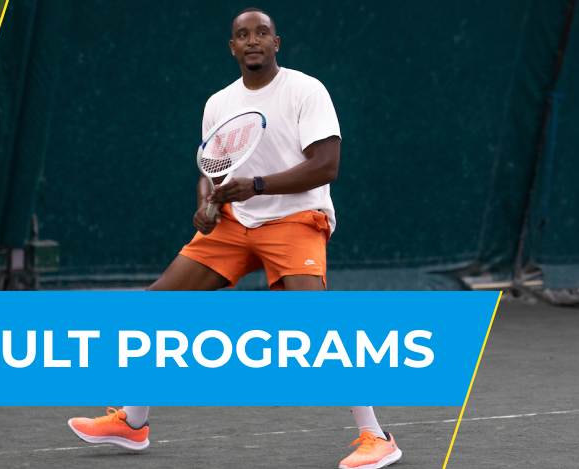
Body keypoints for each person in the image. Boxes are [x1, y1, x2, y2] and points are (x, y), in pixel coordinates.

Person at [66, 8, 401, 469]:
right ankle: (132, 422)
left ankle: (377, 437)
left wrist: (257, 185)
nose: (252, 40)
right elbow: (212, 172)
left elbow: (327, 166)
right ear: (232, 47)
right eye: (243, 35)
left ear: (276, 43)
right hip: (235, 223)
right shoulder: (218, 103)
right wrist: (206, 203)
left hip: (295, 219)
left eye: (262, 33)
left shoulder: (307, 90)